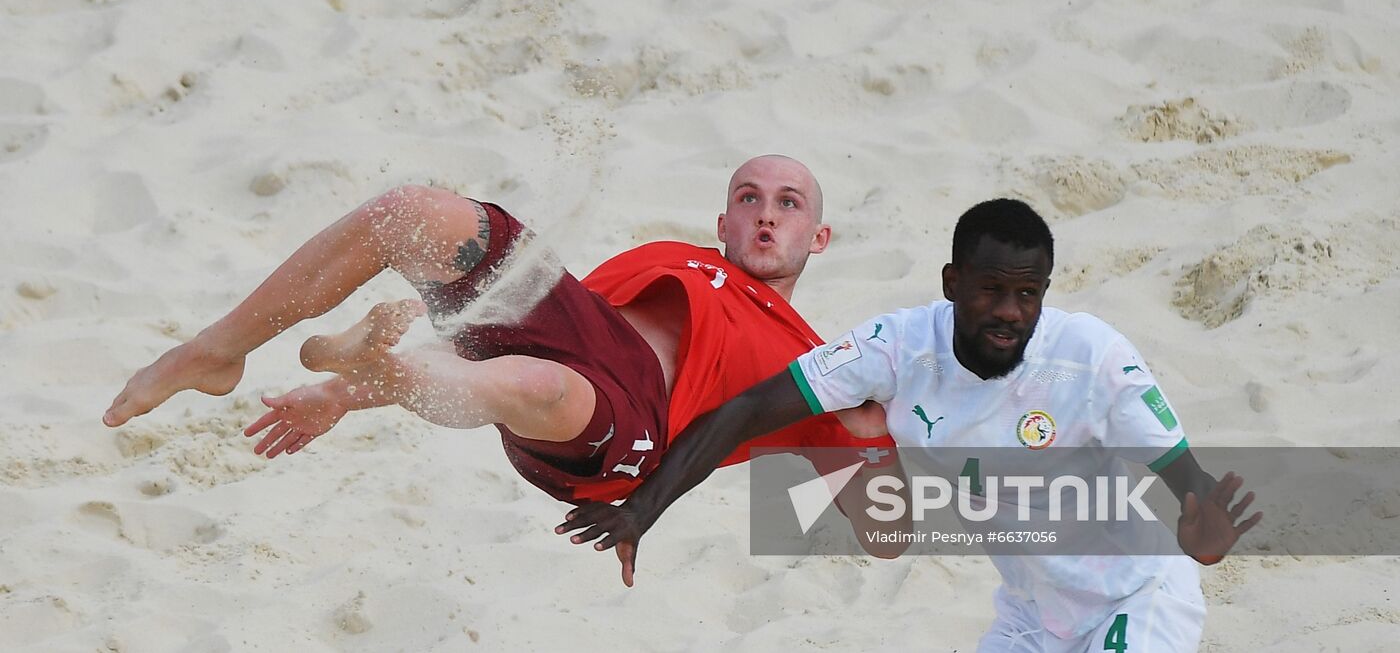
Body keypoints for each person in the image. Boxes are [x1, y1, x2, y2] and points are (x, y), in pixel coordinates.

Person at [558, 198, 1262, 651]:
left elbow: (1192, 490)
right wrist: (643, 507)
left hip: (1137, 598)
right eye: (991, 289)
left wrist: (1205, 538)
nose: (1011, 311)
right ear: (953, 281)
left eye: (1029, 293)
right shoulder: (893, 348)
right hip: (1030, 615)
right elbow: (745, 408)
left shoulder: (1094, 356)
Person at [103, 155, 895, 522]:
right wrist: (340, 400)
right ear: (720, 222)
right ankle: (216, 349)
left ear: (818, 236)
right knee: (415, 210)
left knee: (539, 386)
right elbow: (544, 322)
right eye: (748, 196)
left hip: (624, 429)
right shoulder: (664, 258)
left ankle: (381, 359)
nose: (765, 212)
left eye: (788, 203)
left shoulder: (817, 361)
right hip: (573, 339)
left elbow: (884, 497)